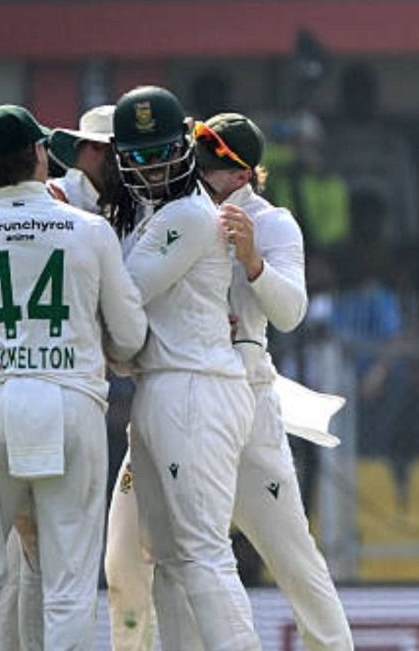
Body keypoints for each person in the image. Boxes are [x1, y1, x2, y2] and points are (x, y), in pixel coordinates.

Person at [102, 111, 354, 651]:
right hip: (177, 390)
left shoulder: (271, 221)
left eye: (212, 166)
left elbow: (291, 313)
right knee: (148, 554)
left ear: (242, 176)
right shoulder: (175, 210)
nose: (196, 171)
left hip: (246, 396)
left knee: (291, 554)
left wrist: (254, 262)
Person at [0, 104, 148, 649]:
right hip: (71, 403)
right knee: (69, 585)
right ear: (40, 154)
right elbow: (130, 338)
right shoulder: (89, 231)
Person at [111, 85, 260, 650]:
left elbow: (124, 294)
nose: (150, 168)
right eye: (138, 156)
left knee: (201, 553)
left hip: (194, 388)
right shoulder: (157, 212)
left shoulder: (191, 214)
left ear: (183, 146)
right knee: (169, 559)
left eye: (160, 152)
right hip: (162, 387)